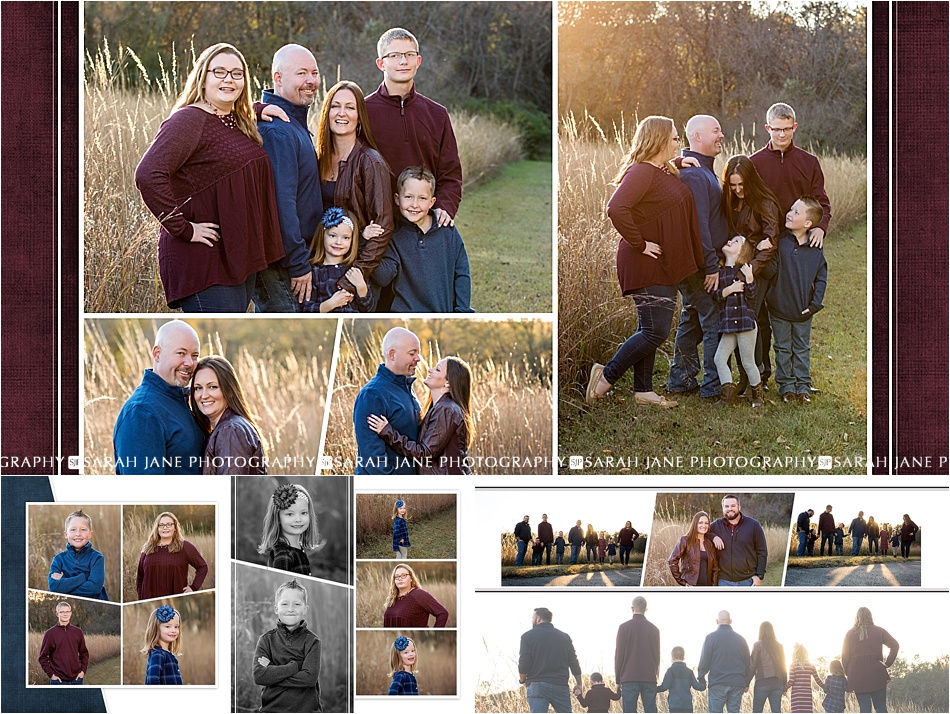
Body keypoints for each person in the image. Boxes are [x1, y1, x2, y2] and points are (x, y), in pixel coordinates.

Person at [135, 43, 284, 312]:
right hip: (205, 261)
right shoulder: (188, 120)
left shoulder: (236, 120)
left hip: (237, 255)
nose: (229, 79)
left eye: (237, 74)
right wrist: (184, 228)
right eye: (220, 72)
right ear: (203, 77)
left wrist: (257, 109)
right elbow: (148, 174)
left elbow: (227, 131)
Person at [587, 115, 703, 406]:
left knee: (649, 328)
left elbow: (658, 195)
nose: (680, 142)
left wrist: (675, 164)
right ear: (660, 140)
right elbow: (616, 208)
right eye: (675, 138)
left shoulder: (658, 171)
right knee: (656, 330)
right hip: (644, 262)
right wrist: (640, 243)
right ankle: (605, 377)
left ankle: (643, 390)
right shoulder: (641, 172)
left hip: (659, 264)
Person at [751, 103, 832, 393]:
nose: (782, 134)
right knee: (761, 311)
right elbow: (746, 205)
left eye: (787, 129)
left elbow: (822, 201)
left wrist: (820, 227)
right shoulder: (755, 162)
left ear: (794, 127)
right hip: (768, 246)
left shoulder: (809, 162)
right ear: (767, 128)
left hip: (801, 243)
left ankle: (799, 379)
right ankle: (760, 375)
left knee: (797, 300)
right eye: (776, 129)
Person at [366, 28, 463, 227]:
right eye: (394, 55)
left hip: (424, 225)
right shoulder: (362, 111)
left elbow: (450, 173)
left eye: (409, 55)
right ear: (380, 63)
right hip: (377, 226)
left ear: (418, 61)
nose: (403, 61)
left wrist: (444, 207)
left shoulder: (437, 114)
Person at [254, 44, 324, 312]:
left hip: (292, 261)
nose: (311, 81)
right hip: (281, 266)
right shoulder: (278, 131)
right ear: (278, 78)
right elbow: (280, 202)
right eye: (302, 73)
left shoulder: (293, 124)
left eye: (314, 73)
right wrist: (298, 262)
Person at [667, 115, 729, 399]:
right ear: (697, 136)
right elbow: (699, 224)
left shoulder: (701, 170)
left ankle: (681, 379)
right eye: (716, 131)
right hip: (698, 264)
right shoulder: (694, 175)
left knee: (692, 317)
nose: (721, 135)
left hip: (699, 262)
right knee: (712, 316)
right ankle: (713, 386)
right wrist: (710, 265)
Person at [316, 80, 396, 297]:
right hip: (324, 268)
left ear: (359, 116)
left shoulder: (370, 162)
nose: (342, 113)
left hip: (358, 272)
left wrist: (352, 277)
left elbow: (383, 227)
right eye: (335, 106)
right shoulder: (318, 158)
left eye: (350, 107)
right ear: (327, 112)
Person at [372, 165, 474, 312]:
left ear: (432, 202)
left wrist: (463, 310)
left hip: (442, 313)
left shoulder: (447, 231)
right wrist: (367, 243)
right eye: (408, 197)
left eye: (422, 198)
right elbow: (383, 277)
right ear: (397, 199)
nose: (414, 205)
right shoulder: (394, 237)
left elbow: (462, 272)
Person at [720, 155, 781, 393]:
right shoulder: (731, 201)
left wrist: (749, 271)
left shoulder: (765, 202)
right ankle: (753, 375)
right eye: (732, 185)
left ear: (750, 180)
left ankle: (755, 377)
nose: (737, 189)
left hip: (759, 269)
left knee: (750, 322)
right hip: (739, 266)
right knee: (751, 319)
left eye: (741, 185)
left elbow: (770, 244)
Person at [113, 320, 206, 475]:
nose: (190, 363)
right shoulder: (142, 413)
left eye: (194, 355)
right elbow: (145, 495)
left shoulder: (186, 399)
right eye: (181, 353)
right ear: (157, 354)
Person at [367, 356, 475, 475]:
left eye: (437, 369)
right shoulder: (442, 407)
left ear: (448, 383)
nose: (430, 370)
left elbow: (424, 454)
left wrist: (388, 432)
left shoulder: (446, 410)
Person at [768, 196, 828, 403]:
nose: (789, 213)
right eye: (791, 209)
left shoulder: (815, 247)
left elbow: (821, 277)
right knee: (783, 348)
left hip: (804, 310)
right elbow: (771, 270)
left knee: (801, 348)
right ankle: (786, 386)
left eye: (795, 212)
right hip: (779, 309)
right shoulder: (781, 242)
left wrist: (814, 304)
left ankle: (803, 386)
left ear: (808, 223)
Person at [353, 327, 422, 475]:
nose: (418, 358)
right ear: (392, 354)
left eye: (418, 353)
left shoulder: (406, 387)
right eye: (412, 353)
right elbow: (372, 458)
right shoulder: (373, 395)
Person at [253, 579, 322, 712]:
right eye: (284, 604)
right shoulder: (266, 640)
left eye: (297, 604)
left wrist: (272, 672)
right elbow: (259, 676)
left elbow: (309, 679)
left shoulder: (313, 641)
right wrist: (295, 666)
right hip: (271, 710)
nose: (290, 609)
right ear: (276, 608)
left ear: (305, 609)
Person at [190, 354, 266, 475]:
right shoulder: (227, 427)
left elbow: (230, 489)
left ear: (229, 391)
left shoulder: (231, 430)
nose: (204, 395)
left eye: (212, 387)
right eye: (198, 388)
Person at [711, 234, 762, 406]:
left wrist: (749, 279)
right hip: (729, 324)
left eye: (735, 242)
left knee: (748, 361)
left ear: (742, 252)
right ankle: (727, 396)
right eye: (730, 239)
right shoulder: (719, 273)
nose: (729, 241)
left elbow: (752, 296)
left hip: (745, 323)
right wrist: (729, 289)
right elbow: (715, 295)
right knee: (719, 358)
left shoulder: (744, 270)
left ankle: (758, 396)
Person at [300, 207, 375, 313]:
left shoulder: (355, 269)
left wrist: (361, 286)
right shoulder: (313, 271)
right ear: (322, 236)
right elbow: (306, 311)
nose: (338, 242)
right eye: (332, 235)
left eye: (346, 238)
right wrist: (331, 303)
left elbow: (369, 310)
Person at [518, 607, 583, 714]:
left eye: (532, 617)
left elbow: (524, 663)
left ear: (538, 619)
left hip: (537, 685)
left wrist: (522, 680)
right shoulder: (564, 637)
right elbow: (573, 662)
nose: (532, 620)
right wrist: (579, 683)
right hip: (560, 685)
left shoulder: (527, 637)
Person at [135, 511, 208, 600]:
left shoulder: (184, 546)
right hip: (149, 601)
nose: (165, 528)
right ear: (157, 528)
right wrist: (141, 598)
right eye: (161, 525)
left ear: (175, 528)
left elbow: (202, 567)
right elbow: (140, 577)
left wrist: (193, 587)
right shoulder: (147, 548)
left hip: (175, 601)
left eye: (169, 524)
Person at [257, 483, 323, 576]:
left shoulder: (296, 548)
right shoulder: (284, 554)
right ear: (278, 518)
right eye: (290, 514)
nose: (298, 519)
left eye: (303, 513)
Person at [841, 607, 898, 712]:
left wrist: (848, 673)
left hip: (857, 676)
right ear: (870, 616)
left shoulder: (849, 634)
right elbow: (895, 645)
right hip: (877, 674)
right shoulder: (879, 631)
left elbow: (844, 657)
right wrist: (887, 663)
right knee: (880, 707)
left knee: (865, 708)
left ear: (857, 617)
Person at [697, 610, 751, 713]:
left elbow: (705, 661)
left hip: (718, 682)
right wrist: (746, 682)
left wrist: (701, 678)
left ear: (717, 621)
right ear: (731, 621)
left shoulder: (711, 638)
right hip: (737, 683)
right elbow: (748, 663)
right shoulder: (741, 640)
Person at [47, 509, 109, 601]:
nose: (78, 534)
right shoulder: (58, 560)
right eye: (73, 529)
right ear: (66, 534)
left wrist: (64, 582)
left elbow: (94, 587)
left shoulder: (97, 558)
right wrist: (83, 577)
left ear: (90, 534)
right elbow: (54, 587)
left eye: (83, 530)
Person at [614, 595, 661, 713]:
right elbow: (657, 656)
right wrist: (656, 675)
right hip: (649, 677)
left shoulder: (623, 628)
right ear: (646, 609)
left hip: (629, 677)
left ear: (632, 608)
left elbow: (619, 655)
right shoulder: (654, 629)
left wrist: (617, 680)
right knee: (651, 710)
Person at [709, 494, 768, 586]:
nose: (730, 509)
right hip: (723, 581)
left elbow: (762, 551)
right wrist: (713, 536)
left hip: (748, 580)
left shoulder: (753, 525)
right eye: (726, 506)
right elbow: (701, 532)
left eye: (733, 506)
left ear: (739, 507)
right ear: (723, 508)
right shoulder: (716, 525)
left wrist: (760, 576)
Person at [383, 564, 449, 627]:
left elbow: (442, 613)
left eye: (404, 575)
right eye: (397, 576)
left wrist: (436, 632)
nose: (400, 578)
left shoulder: (418, 594)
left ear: (411, 578)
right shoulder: (392, 598)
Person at [38, 601, 88, 685]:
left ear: (71, 613)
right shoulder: (50, 633)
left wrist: (83, 671)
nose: (65, 614)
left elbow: (84, 654)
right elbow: (42, 657)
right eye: (62, 612)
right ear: (57, 614)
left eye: (67, 611)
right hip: (58, 681)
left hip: (77, 679)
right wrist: (52, 675)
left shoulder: (78, 632)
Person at [668, 511, 720, 587]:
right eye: (700, 523)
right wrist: (682, 582)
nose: (704, 525)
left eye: (706, 523)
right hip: (691, 586)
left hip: (707, 586)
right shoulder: (685, 540)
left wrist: (713, 586)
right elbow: (672, 560)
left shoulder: (709, 544)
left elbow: (715, 567)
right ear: (695, 524)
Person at [748, 621, 787, 713]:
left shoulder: (757, 645)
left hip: (762, 683)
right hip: (778, 683)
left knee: (757, 711)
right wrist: (784, 685)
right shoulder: (779, 646)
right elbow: (783, 667)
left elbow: (752, 665)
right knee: (776, 711)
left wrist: (746, 683)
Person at [657, 646, 705, 714]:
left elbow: (664, 686)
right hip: (687, 706)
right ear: (684, 658)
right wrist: (702, 680)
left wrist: (652, 689)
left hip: (674, 705)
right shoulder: (689, 672)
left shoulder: (670, 671)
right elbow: (698, 687)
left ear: (673, 657)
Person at [142, 605, 183, 685]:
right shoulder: (158, 654)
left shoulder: (166, 653)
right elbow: (152, 681)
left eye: (176, 627)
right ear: (156, 628)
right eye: (167, 626)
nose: (173, 630)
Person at [785, 643, 823, 712]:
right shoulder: (811, 666)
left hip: (797, 696)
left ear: (795, 654)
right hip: (807, 696)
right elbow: (818, 681)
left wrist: (784, 688)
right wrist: (826, 688)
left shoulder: (793, 665)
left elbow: (791, 681)